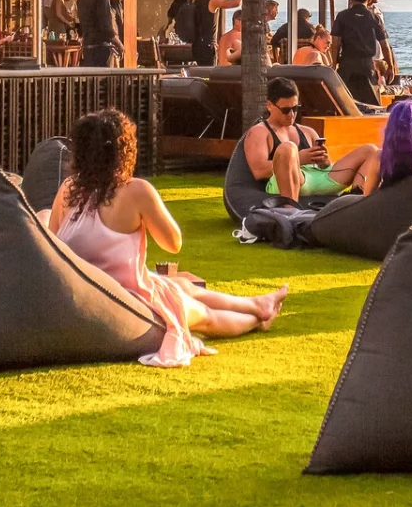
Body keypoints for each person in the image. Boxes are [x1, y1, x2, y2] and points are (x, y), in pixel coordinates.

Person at [51, 109, 287, 366]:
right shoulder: (136, 191)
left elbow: (51, 243)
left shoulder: (68, 190)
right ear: (124, 151)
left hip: (80, 292)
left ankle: (255, 302)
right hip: (127, 301)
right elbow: (173, 244)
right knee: (204, 316)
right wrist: (139, 219)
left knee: (180, 287)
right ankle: (258, 315)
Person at [239, 77, 377, 200]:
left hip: (318, 177)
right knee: (288, 148)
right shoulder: (260, 132)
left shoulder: (307, 131)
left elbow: (325, 167)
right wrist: (298, 159)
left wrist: (324, 160)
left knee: (371, 150)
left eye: (295, 108)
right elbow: (259, 171)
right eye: (286, 110)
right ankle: (289, 207)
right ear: (269, 105)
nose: (291, 115)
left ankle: (356, 200)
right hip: (289, 181)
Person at [331, 0, 387, 105]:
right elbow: (384, 45)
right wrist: (390, 66)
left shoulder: (342, 16)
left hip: (347, 64)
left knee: (344, 102)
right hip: (367, 65)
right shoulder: (374, 17)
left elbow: (335, 44)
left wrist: (333, 64)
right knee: (372, 103)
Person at [77, 0, 123, 68]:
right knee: (103, 81)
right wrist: (119, 44)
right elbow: (106, 26)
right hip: (101, 47)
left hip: (88, 46)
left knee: (92, 81)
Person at [189, 0, 239, 67]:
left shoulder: (198, 0)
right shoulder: (213, 0)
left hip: (197, 45)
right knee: (209, 76)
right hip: (208, 46)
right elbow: (233, 3)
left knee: (201, 74)